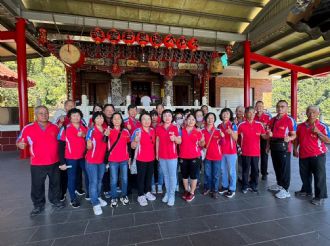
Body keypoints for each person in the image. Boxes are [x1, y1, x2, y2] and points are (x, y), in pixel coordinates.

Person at [17, 106, 64, 216]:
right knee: (37, 185)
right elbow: (19, 141)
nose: (44, 115)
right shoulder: (28, 128)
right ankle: (38, 205)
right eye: (41, 113)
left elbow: (62, 142)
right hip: (37, 163)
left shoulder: (55, 127)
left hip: (54, 161)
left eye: (46, 113)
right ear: (36, 115)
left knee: (55, 183)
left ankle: (55, 200)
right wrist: (20, 144)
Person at [293, 105, 330, 205]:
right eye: (309, 112)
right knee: (304, 175)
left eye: (314, 112)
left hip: (318, 155)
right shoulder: (300, 126)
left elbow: (328, 140)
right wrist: (295, 149)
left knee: (319, 177)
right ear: (306, 112)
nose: (311, 114)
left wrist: (318, 132)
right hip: (304, 154)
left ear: (318, 114)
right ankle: (306, 191)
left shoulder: (322, 126)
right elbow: (297, 139)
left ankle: (320, 196)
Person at [58, 108, 89, 208]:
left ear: (81, 117)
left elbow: (89, 138)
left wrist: (84, 135)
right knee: (72, 178)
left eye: (78, 115)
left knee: (88, 174)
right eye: (74, 115)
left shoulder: (84, 127)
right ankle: (73, 199)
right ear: (70, 118)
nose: (76, 117)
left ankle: (89, 194)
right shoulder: (65, 128)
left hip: (83, 157)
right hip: (70, 158)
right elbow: (61, 146)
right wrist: (62, 162)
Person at [267, 100, 297, 199]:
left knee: (285, 169)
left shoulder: (289, 120)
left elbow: (294, 135)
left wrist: (290, 138)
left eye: (282, 106)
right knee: (277, 167)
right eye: (278, 106)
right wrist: (267, 146)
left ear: (286, 108)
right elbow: (269, 134)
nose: (280, 108)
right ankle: (279, 184)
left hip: (285, 148)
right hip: (274, 147)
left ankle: (285, 189)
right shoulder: (273, 120)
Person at [238, 107, 268, 194]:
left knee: (255, 170)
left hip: (256, 152)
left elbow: (263, 136)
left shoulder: (259, 124)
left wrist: (268, 135)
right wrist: (239, 149)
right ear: (246, 114)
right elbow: (237, 138)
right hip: (245, 152)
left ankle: (254, 185)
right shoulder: (241, 125)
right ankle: (245, 186)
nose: (251, 115)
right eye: (249, 113)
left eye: (253, 113)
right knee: (245, 170)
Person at [156, 109, 181, 206]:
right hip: (162, 156)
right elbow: (157, 141)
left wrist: (174, 138)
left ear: (172, 117)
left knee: (172, 176)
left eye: (169, 115)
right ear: (162, 117)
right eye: (165, 115)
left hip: (172, 156)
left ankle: (172, 195)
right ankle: (167, 193)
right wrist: (157, 154)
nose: (167, 117)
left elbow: (179, 141)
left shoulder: (175, 128)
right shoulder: (159, 128)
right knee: (165, 176)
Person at [131, 112, 157, 206]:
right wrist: (135, 140)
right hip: (141, 158)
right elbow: (132, 146)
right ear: (141, 121)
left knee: (149, 176)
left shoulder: (152, 130)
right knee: (141, 177)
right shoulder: (137, 131)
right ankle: (140, 195)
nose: (146, 121)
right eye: (144, 119)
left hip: (151, 158)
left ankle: (147, 192)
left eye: (148, 119)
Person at [85, 111, 108, 215]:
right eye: (98, 118)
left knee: (99, 181)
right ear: (94, 119)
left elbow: (106, 143)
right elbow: (88, 144)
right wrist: (88, 144)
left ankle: (98, 197)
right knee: (93, 182)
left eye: (101, 118)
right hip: (92, 161)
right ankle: (95, 203)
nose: (100, 120)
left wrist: (107, 135)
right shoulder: (91, 130)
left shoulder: (105, 130)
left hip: (102, 161)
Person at [179, 113, 205, 202]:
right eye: (189, 119)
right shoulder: (181, 130)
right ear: (186, 121)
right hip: (183, 156)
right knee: (184, 175)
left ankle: (192, 192)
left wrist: (202, 140)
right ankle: (186, 190)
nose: (191, 121)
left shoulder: (198, 131)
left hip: (195, 156)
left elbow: (202, 144)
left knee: (194, 175)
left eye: (193, 119)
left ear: (195, 121)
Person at [107, 112, 131, 207]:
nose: (117, 120)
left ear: (121, 120)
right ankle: (113, 197)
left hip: (124, 159)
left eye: (118, 118)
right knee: (113, 180)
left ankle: (123, 195)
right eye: (114, 118)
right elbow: (104, 143)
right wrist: (105, 135)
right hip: (113, 160)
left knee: (124, 179)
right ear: (112, 121)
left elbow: (129, 145)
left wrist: (129, 157)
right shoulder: (109, 131)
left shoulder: (125, 131)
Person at [202, 112, 224, 199]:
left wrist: (222, 137)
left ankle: (215, 190)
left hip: (217, 156)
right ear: (206, 119)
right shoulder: (202, 131)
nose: (210, 120)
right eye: (208, 118)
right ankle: (207, 188)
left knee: (216, 174)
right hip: (207, 156)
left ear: (214, 119)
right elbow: (200, 144)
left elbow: (223, 143)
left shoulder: (218, 131)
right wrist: (202, 143)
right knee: (207, 173)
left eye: (212, 118)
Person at [218, 108, 238, 198]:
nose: (225, 115)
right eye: (223, 113)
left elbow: (236, 138)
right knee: (223, 170)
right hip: (221, 152)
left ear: (230, 115)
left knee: (231, 171)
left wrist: (231, 133)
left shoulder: (233, 125)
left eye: (227, 113)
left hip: (231, 152)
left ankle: (232, 189)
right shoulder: (219, 126)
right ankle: (225, 186)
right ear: (221, 115)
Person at [254, 101, 272, 180]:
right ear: (255, 107)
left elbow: (270, 128)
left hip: (264, 138)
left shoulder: (268, 117)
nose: (259, 107)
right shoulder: (253, 116)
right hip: (255, 138)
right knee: (255, 156)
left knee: (264, 156)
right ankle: (255, 172)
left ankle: (264, 173)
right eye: (257, 106)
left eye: (261, 106)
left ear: (263, 106)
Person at [102, 104, 115, 198]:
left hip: (114, 150)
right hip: (104, 150)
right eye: (107, 110)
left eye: (111, 110)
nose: (110, 112)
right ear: (104, 111)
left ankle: (114, 186)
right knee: (106, 170)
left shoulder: (116, 121)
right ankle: (106, 189)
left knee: (113, 169)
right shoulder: (101, 121)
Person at [150, 110, 163, 194]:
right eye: (152, 115)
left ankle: (159, 185)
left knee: (160, 169)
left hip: (160, 150)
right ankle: (152, 185)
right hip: (150, 151)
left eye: (156, 115)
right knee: (151, 169)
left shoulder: (160, 126)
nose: (154, 117)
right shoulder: (147, 125)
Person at [234, 105, 245, 184]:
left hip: (242, 144)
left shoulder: (246, 121)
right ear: (236, 112)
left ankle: (242, 177)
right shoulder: (232, 120)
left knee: (242, 161)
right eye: (238, 111)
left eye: (241, 111)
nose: (240, 113)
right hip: (232, 144)